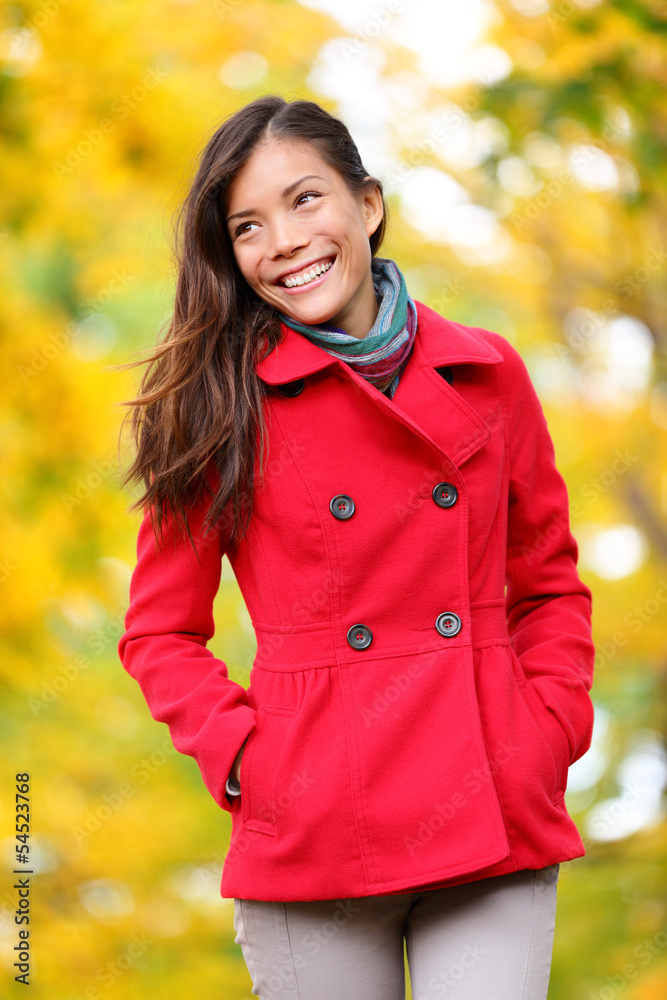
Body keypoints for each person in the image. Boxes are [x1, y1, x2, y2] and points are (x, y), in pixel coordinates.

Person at [116, 95, 596, 999]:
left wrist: (549, 727)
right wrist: (251, 765)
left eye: (305, 200)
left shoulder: (488, 374)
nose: (283, 241)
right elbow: (158, 636)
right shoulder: (216, 408)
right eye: (247, 226)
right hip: (312, 828)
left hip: (490, 797)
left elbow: (548, 588)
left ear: (366, 205)